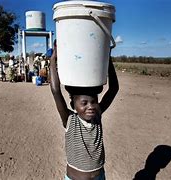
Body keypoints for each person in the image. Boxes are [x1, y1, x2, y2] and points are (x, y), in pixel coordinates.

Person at [50, 42, 119, 180]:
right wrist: (53, 60)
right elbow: (56, 90)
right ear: (73, 104)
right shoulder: (70, 120)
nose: (91, 106)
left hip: (99, 176)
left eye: (94, 101)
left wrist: (108, 58)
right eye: (84, 103)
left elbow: (113, 89)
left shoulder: (97, 115)